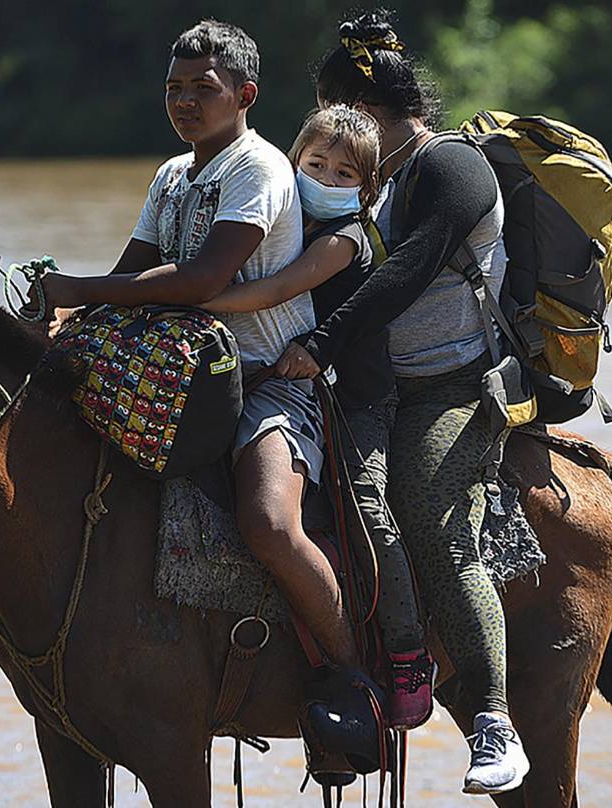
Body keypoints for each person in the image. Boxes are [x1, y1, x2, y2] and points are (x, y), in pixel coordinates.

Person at [33, 20, 359, 671]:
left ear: (245, 94)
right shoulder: (172, 176)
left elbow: (203, 278)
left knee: (268, 524)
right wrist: (68, 311)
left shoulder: (259, 169)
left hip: (269, 382)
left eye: (202, 88)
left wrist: (76, 285)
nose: (184, 100)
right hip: (180, 376)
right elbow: (131, 272)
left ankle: (351, 672)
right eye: (173, 87)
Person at [271, 10, 531, 795]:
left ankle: (492, 720)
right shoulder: (356, 178)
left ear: (369, 111)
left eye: (345, 121)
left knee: (422, 507)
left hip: (449, 387)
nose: (333, 142)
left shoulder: (453, 170)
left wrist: (316, 347)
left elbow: (403, 274)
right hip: (368, 384)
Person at [202, 104, 434, 729]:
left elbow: (276, 292)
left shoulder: (343, 238)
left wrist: (185, 295)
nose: (326, 181)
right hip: (279, 375)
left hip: (355, 395)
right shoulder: (274, 216)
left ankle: (405, 654)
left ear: (368, 188)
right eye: (316, 166)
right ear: (291, 161)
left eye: (343, 174)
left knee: (366, 504)